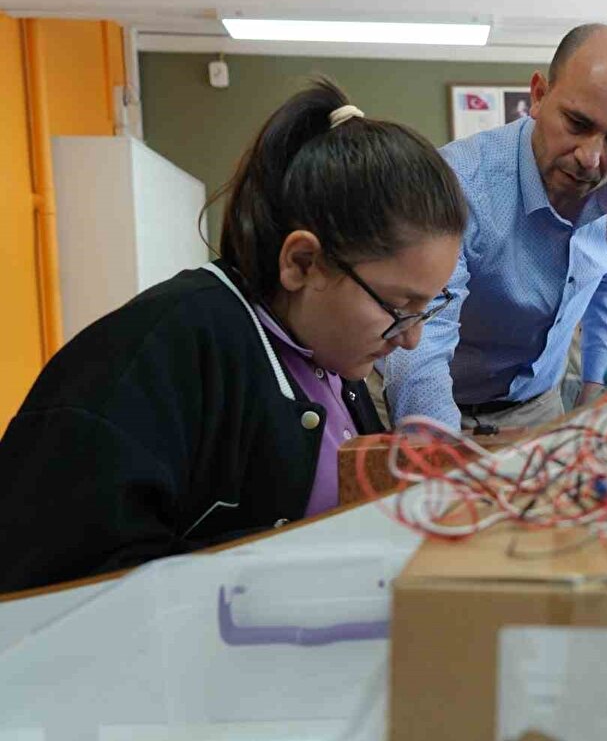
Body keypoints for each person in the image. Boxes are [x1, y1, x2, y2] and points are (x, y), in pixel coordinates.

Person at [0, 80, 468, 593]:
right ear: (302, 263)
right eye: (397, 307)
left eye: (429, 308)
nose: (412, 340)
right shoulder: (154, 352)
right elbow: (63, 584)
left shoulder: (329, 359)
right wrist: (307, 569)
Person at [379, 24, 607, 431]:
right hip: (432, 400)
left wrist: (595, 384)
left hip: (536, 406)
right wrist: (435, 452)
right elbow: (423, 334)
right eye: (577, 124)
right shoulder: (457, 184)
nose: (589, 157)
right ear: (540, 95)